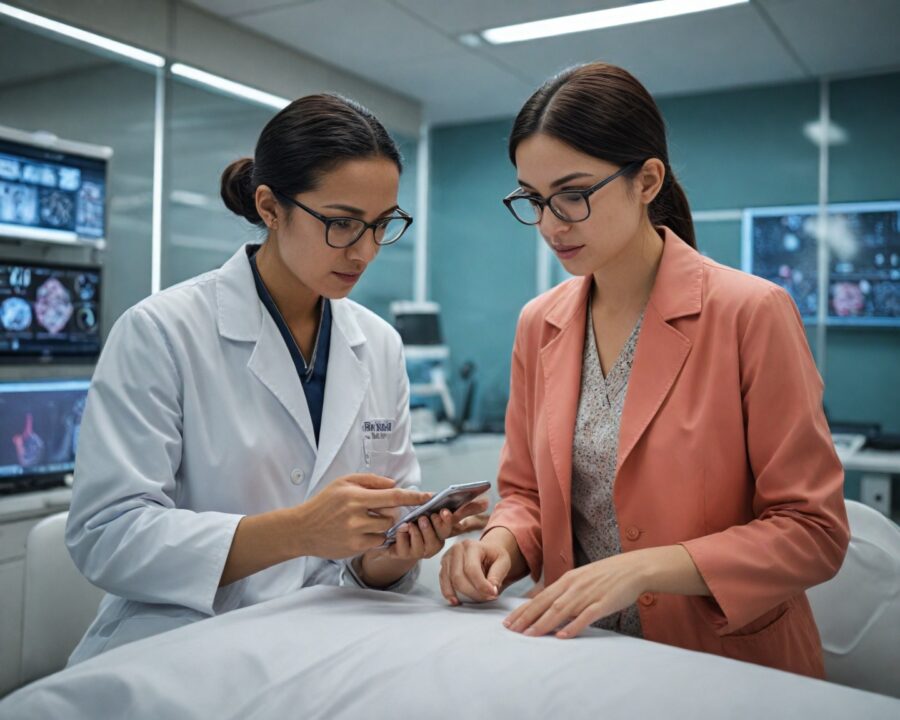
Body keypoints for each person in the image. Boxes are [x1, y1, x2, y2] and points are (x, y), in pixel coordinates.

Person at [438, 63, 849, 678]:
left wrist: (646, 567)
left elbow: (812, 530)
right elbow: (525, 494)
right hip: (578, 657)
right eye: (533, 199)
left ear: (647, 179)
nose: (551, 224)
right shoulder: (538, 323)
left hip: (724, 664)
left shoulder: (750, 312)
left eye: (573, 194)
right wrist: (498, 545)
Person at [65, 93, 485, 664]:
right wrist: (297, 532)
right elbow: (108, 537)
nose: (364, 251)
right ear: (269, 206)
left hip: (326, 637)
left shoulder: (378, 343)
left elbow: (368, 560)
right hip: (181, 643)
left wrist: (401, 548)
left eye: (381, 224)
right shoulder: (161, 331)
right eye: (341, 223)